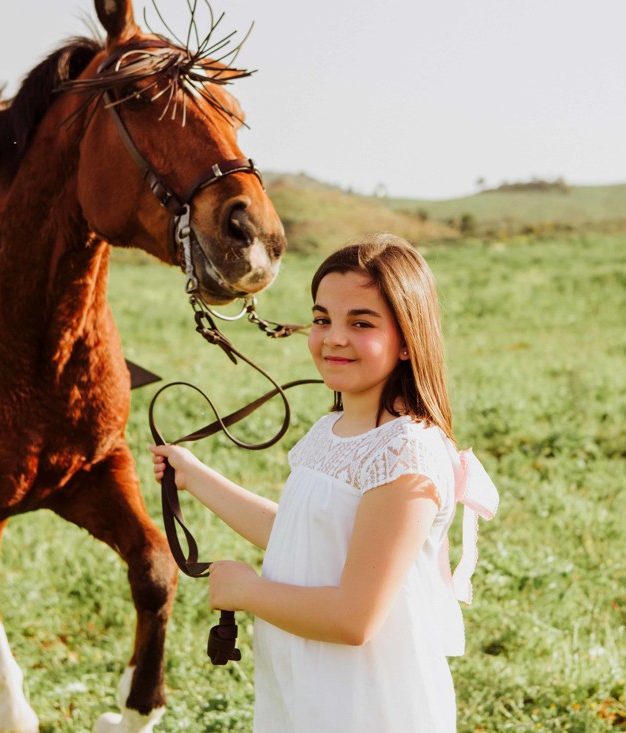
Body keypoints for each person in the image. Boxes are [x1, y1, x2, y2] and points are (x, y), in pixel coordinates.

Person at [150, 232, 498, 733]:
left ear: (407, 340)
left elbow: (354, 618)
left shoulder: (405, 451)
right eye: (322, 319)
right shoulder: (331, 430)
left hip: (370, 701)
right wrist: (195, 477)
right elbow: (303, 533)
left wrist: (247, 590)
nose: (334, 337)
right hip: (307, 684)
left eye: (361, 323)